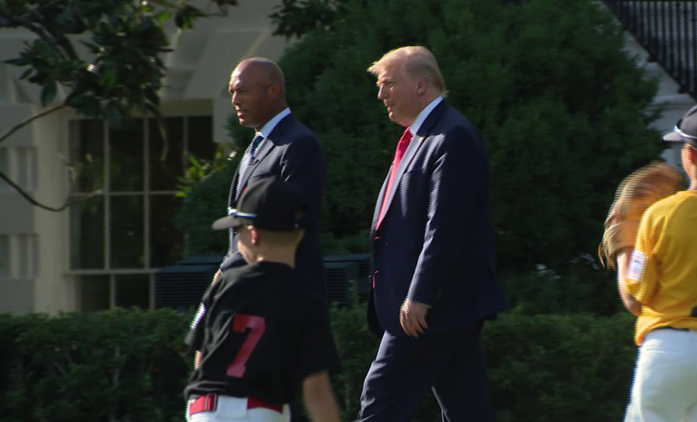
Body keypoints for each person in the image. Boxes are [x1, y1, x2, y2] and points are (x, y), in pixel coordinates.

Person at [357, 46, 508, 422]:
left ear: (422, 84)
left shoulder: (450, 137)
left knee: (380, 403)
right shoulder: (426, 136)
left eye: (389, 83)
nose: (381, 94)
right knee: (466, 409)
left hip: (430, 309)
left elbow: (444, 227)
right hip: (442, 307)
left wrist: (420, 295)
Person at [615, 100, 697, 422]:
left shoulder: (660, 215)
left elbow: (635, 299)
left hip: (668, 350)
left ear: (688, 156)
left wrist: (624, 248)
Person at [185, 176, 342, 422]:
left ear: (254, 234)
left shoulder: (224, 283)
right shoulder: (307, 298)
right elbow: (315, 388)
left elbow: (202, 355)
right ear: (299, 234)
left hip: (204, 409)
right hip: (262, 411)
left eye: (238, 230)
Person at [218, 57, 327, 295]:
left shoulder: (298, 144)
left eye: (243, 91)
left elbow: (292, 227)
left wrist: (232, 270)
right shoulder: (257, 145)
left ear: (273, 90)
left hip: (283, 295)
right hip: (249, 288)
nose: (235, 100)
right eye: (232, 92)